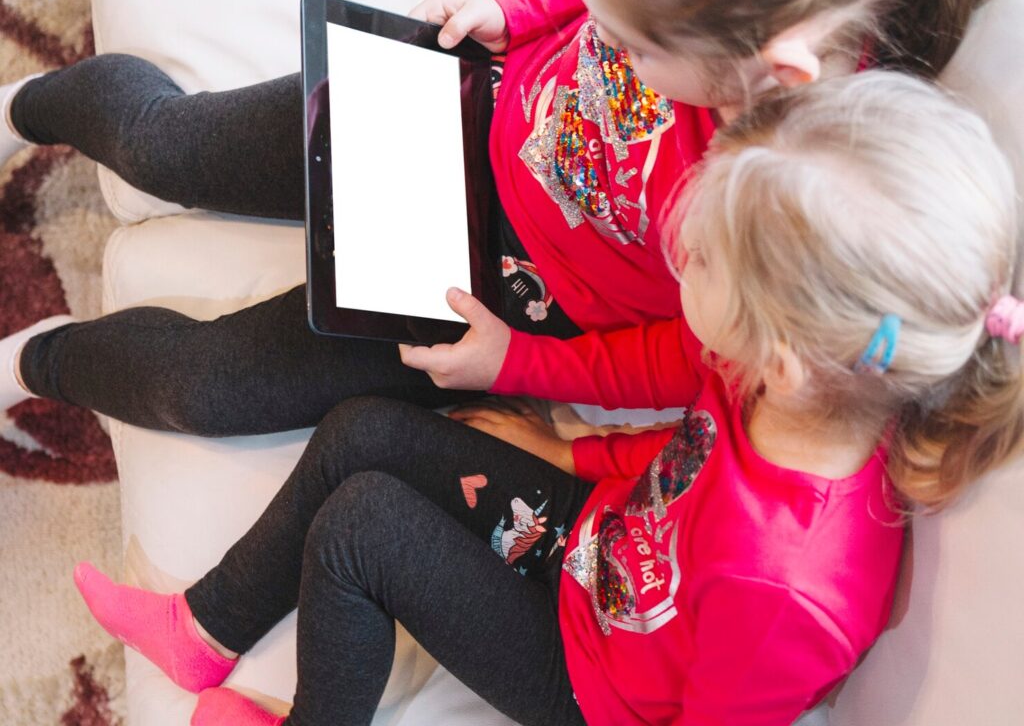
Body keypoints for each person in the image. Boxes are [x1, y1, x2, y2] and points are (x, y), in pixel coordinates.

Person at [0, 0, 1019, 432]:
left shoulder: (805, 204)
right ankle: (19, 111)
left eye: (628, 40)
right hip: (450, 111)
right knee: (164, 145)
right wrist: (512, 5)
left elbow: (686, 355)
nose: (604, 36)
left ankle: (32, 366)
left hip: (491, 301)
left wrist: (513, 366)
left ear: (769, 75)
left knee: (211, 386)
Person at [74, 72, 1024, 725]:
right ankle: (205, 627)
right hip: (597, 544)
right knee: (363, 429)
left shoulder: (786, 588)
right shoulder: (788, 385)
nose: (675, 260)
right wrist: (572, 453)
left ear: (776, 356)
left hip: (590, 680)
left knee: (361, 529)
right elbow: (683, 460)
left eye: (697, 265)